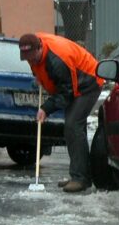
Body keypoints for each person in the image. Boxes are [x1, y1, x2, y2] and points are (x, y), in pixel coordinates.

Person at [18, 32, 103, 193]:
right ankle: (79, 174)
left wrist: (45, 108)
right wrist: (39, 77)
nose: (30, 61)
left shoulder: (58, 59)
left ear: (40, 48)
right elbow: (40, 67)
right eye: (26, 58)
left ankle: (80, 179)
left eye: (32, 57)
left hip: (89, 82)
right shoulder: (33, 48)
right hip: (73, 84)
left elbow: (67, 93)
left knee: (73, 125)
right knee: (73, 127)